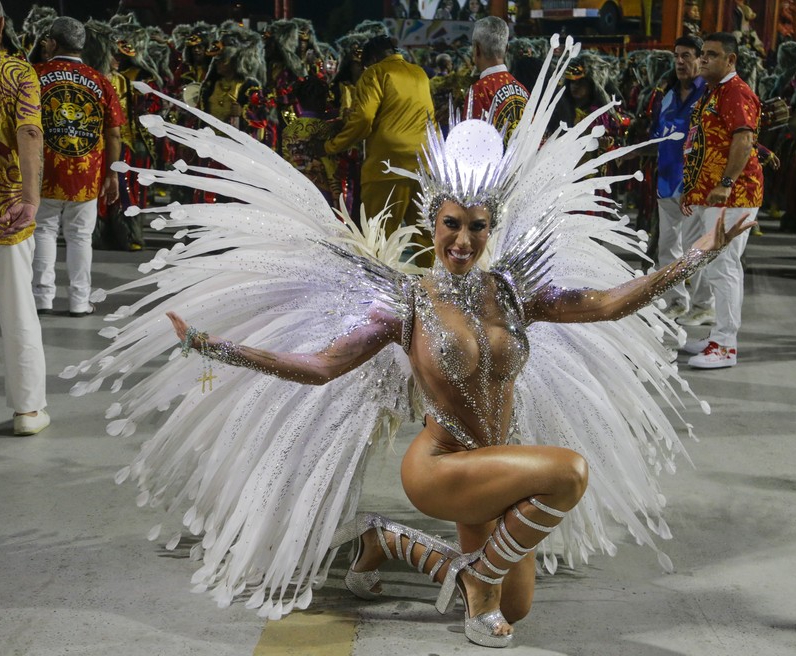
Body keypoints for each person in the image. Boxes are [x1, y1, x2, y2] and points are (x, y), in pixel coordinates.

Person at [66, 37, 755, 649]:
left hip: (497, 471)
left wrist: (693, 257)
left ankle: (385, 541)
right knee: (569, 473)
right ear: (433, 219)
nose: (463, 240)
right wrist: (220, 350)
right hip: (442, 468)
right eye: (452, 224)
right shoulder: (403, 301)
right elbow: (319, 367)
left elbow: (605, 305)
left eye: (478, 227)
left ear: (492, 228)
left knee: (519, 600)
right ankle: (472, 579)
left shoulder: (514, 290)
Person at [0, 0, 49, 435]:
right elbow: (29, 132)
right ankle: (28, 411)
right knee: (18, 310)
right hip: (1, 207)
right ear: (0, 26)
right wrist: (31, 197)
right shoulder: (18, 72)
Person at [680, 32, 763, 369]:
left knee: (725, 267)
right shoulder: (714, 92)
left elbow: (743, 141)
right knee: (716, 267)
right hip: (716, 196)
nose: (702, 60)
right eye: (702, 53)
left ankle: (726, 345)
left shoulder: (736, 92)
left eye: (712, 55)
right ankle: (718, 335)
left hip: (734, 195)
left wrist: (727, 184)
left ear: (731, 60)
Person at [31, 16, 123, 317]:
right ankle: (79, 302)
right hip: (87, 173)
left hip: (44, 170)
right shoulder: (100, 81)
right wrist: (112, 174)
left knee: (42, 231)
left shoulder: (35, 75)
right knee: (80, 236)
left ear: (53, 43)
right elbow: (114, 133)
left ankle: (41, 298)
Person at [323, 35, 434, 242]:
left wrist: (332, 146)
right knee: (426, 240)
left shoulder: (375, 72)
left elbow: (364, 118)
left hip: (387, 167)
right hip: (423, 164)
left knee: (378, 241)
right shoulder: (420, 73)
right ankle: (431, 276)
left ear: (372, 58)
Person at [651, 35, 707, 320]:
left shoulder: (709, 93)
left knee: (695, 248)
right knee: (667, 247)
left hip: (695, 185)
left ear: (700, 58)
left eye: (687, 56)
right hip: (667, 180)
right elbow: (655, 134)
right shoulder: (669, 94)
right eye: (676, 56)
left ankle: (702, 306)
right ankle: (676, 301)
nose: (680, 62)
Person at [468, 16, 528, 142]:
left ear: (477, 49)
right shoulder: (522, 90)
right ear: (506, 49)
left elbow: (472, 145)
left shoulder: (480, 90)